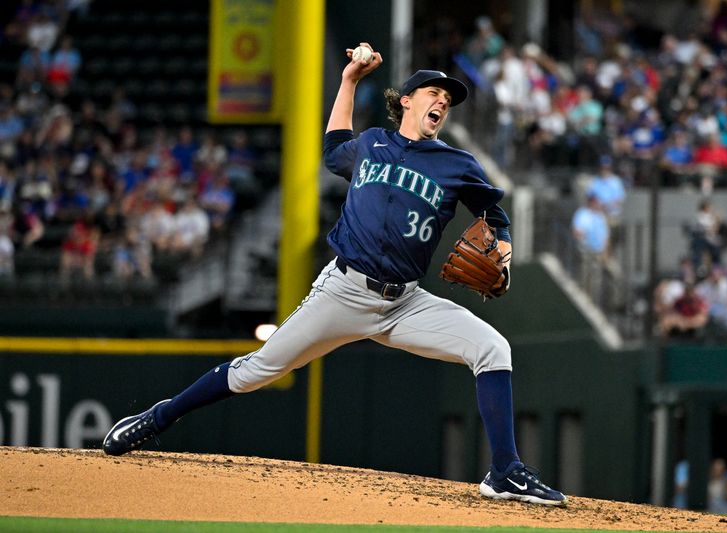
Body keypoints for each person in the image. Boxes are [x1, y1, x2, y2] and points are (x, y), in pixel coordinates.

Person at [102, 43, 567, 507]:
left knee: (493, 348)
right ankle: (160, 417)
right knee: (258, 370)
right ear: (406, 100)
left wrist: (502, 250)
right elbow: (332, 150)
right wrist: (349, 80)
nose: (442, 101)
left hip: (405, 303)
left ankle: (505, 472)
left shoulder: (457, 164)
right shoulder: (371, 144)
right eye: (433, 92)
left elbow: (494, 212)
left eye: (448, 98)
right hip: (344, 290)